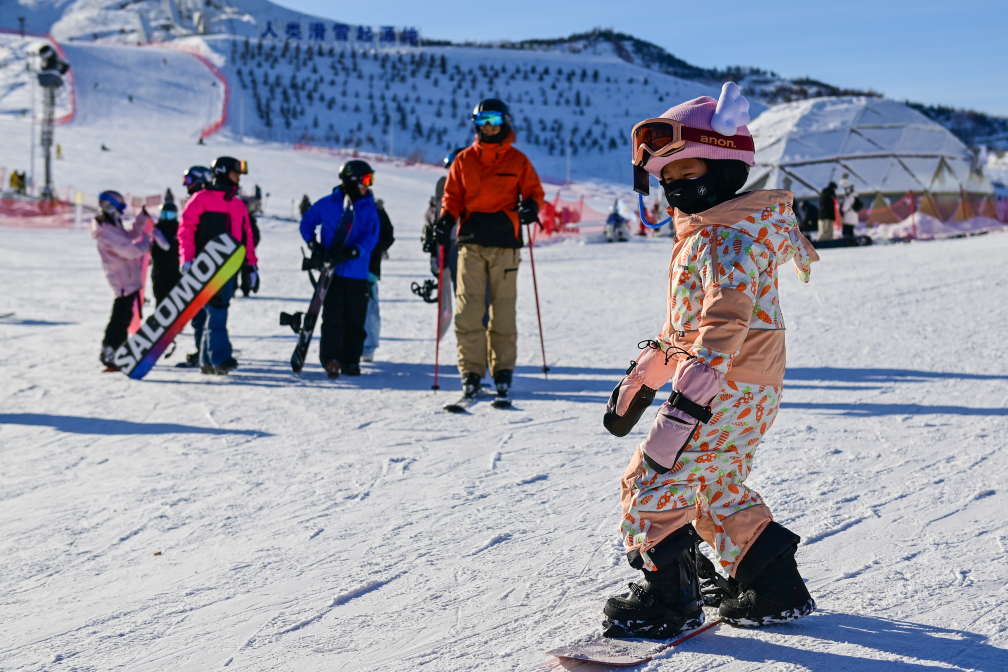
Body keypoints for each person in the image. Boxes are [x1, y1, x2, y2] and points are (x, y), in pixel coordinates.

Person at [602, 85, 820, 639]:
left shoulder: (723, 238)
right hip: (744, 386)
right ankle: (772, 585)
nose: (675, 187)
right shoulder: (714, 233)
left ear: (724, 167)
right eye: (666, 179)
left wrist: (688, 396)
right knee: (714, 483)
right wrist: (647, 373)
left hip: (723, 386)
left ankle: (666, 598)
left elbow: (724, 325)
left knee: (653, 479)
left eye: (687, 172)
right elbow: (689, 330)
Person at [434, 99, 545, 401]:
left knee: (503, 312)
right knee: (468, 311)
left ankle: (502, 371)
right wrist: (445, 221)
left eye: (494, 119)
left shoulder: (518, 161)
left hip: (506, 246)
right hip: (470, 245)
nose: (488, 126)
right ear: (475, 123)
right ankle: (471, 370)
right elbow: (452, 197)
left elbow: (535, 192)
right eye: (482, 120)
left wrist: (531, 208)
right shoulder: (464, 160)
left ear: (505, 121)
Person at [178, 156, 258, 375]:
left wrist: (251, 266)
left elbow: (246, 237)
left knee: (211, 313)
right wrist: (187, 259)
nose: (238, 179)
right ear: (223, 172)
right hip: (205, 265)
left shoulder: (238, 204)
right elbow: (186, 230)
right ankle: (220, 358)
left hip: (229, 267)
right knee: (217, 310)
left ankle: (206, 361)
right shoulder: (201, 198)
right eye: (236, 174)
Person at [299, 160, 380, 378]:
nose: (368, 185)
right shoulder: (328, 204)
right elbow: (306, 223)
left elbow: (371, 237)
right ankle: (331, 359)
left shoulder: (369, 208)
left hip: (357, 272)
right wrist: (314, 246)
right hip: (331, 273)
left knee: (355, 318)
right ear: (351, 180)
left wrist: (354, 252)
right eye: (366, 180)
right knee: (333, 317)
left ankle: (351, 360)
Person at [91, 190, 156, 369]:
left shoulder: (113, 225)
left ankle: (118, 350)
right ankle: (110, 350)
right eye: (119, 208)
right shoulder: (107, 231)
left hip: (128, 278)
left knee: (126, 315)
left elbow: (129, 238)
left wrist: (141, 221)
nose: (120, 212)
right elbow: (130, 251)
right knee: (120, 317)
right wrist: (149, 244)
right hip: (122, 280)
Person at [176, 166, 215, 368]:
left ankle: (206, 352)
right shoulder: (205, 199)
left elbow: (186, 232)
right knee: (206, 312)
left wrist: (188, 259)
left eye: (189, 180)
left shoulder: (199, 200)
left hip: (202, 265)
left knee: (203, 312)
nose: (186, 185)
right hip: (207, 264)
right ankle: (207, 351)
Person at [362, 198, 395, 362]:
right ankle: (348, 347)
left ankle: (368, 347)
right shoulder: (346, 206)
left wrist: (375, 249)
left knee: (370, 311)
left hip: (370, 270)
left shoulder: (377, 210)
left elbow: (388, 235)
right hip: (346, 268)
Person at [150, 189, 181, 305]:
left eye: (170, 215)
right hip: (159, 271)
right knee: (160, 299)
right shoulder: (156, 229)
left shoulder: (178, 229)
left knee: (174, 301)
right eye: (164, 215)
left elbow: (170, 246)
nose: (167, 218)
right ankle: (159, 322)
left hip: (174, 271)